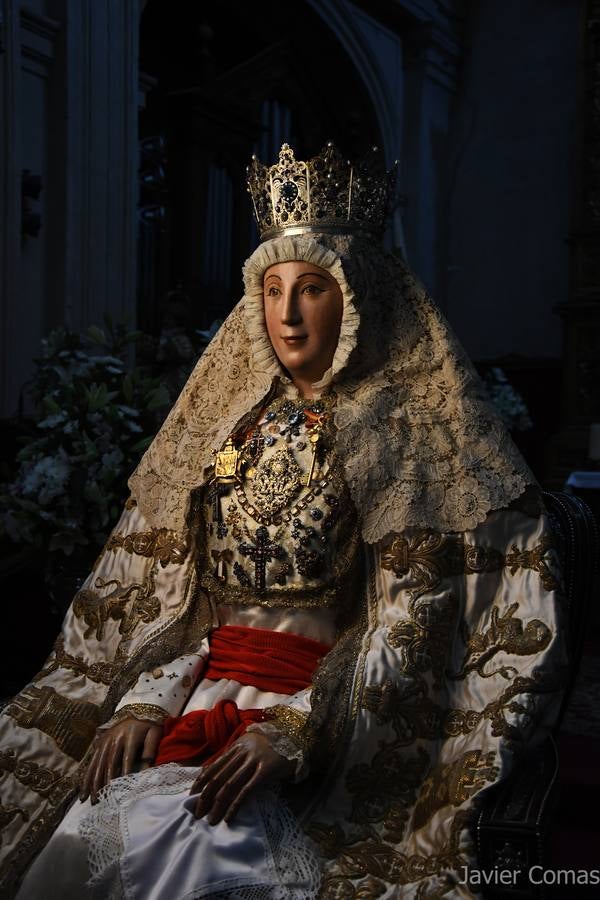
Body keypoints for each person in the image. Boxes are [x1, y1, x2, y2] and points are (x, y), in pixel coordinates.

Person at [0, 142, 566, 899]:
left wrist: (300, 728)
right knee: (86, 822)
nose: (288, 313)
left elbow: (412, 619)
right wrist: (145, 698)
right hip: (200, 691)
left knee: (199, 847)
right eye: (271, 289)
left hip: (327, 709)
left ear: (356, 297)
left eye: (312, 289)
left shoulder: (399, 436)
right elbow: (184, 585)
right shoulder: (235, 436)